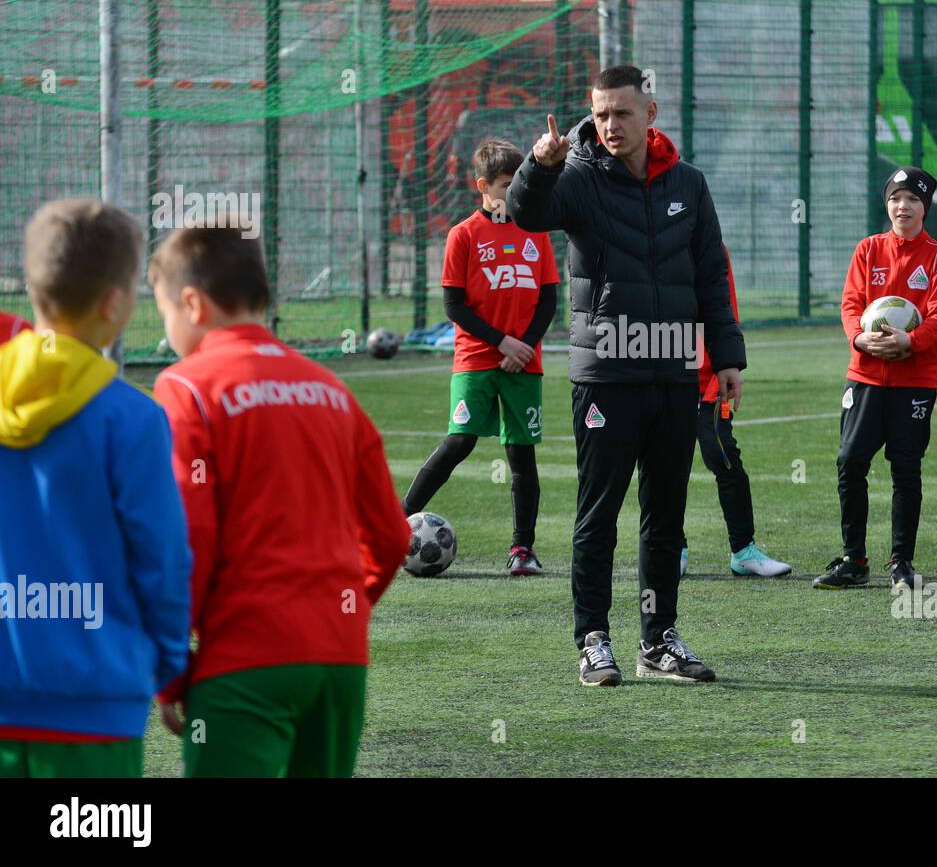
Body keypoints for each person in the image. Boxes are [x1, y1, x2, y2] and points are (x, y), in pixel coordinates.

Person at [508, 64, 745, 686]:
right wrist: (541, 163)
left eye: (621, 113)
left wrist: (727, 358)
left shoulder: (689, 185)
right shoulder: (578, 177)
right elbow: (526, 214)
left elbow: (711, 275)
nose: (609, 125)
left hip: (671, 372)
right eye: (601, 114)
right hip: (605, 375)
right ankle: (593, 640)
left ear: (651, 113)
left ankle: (658, 641)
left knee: (665, 516)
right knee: (598, 514)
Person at [149, 224, 411, 776]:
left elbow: (185, 541)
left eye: (163, 310)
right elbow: (391, 536)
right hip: (338, 661)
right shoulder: (331, 388)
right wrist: (340, 609)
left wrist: (170, 672)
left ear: (191, 304)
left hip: (246, 658)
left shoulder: (187, 386)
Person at [0, 198, 190, 777]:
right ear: (114, 303)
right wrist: (167, 668)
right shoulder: (133, 419)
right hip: (96, 708)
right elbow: (162, 559)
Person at [403, 138, 559, 575]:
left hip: (524, 363)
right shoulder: (464, 235)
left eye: (520, 183)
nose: (515, 192)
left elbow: (548, 301)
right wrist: (501, 342)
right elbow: (454, 307)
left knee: (521, 456)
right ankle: (394, 522)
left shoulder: (535, 234)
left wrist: (522, 345)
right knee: (459, 442)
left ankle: (522, 550)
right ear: (483, 186)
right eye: (508, 185)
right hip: (476, 359)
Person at [817, 167, 937, 589]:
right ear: (887, 204)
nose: (903, 206)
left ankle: (901, 563)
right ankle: (854, 559)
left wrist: (909, 342)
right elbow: (851, 303)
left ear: (924, 207)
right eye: (896, 198)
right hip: (866, 376)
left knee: (906, 469)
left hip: (915, 380)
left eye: (912, 199)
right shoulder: (868, 250)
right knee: (850, 461)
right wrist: (860, 339)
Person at [681, 246, 791, 578]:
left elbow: (725, 305)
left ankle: (743, 550)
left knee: (724, 454)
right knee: (663, 464)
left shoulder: (713, 247)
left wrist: (727, 364)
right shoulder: (644, 238)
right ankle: (670, 548)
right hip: (660, 377)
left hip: (708, 379)